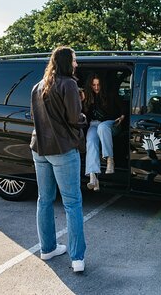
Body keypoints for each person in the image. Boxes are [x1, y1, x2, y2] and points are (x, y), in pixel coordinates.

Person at [30, 46, 87, 273]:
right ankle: (77, 258)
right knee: (72, 203)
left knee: (44, 200)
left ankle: (47, 248)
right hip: (62, 150)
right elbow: (75, 118)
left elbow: (36, 118)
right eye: (74, 60)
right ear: (66, 62)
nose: (76, 64)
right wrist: (84, 118)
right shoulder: (69, 84)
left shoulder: (38, 86)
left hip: (39, 148)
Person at [82, 73, 125, 191]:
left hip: (111, 124)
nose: (96, 87)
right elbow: (84, 116)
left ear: (102, 85)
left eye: (98, 84)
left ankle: (110, 159)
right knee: (90, 141)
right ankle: (93, 176)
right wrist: (83, 101)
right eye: (93, 85)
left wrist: (122, 117)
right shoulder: (88, 97)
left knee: (102, 127)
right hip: (94, 124)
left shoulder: (110, 94)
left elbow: (123, 108)